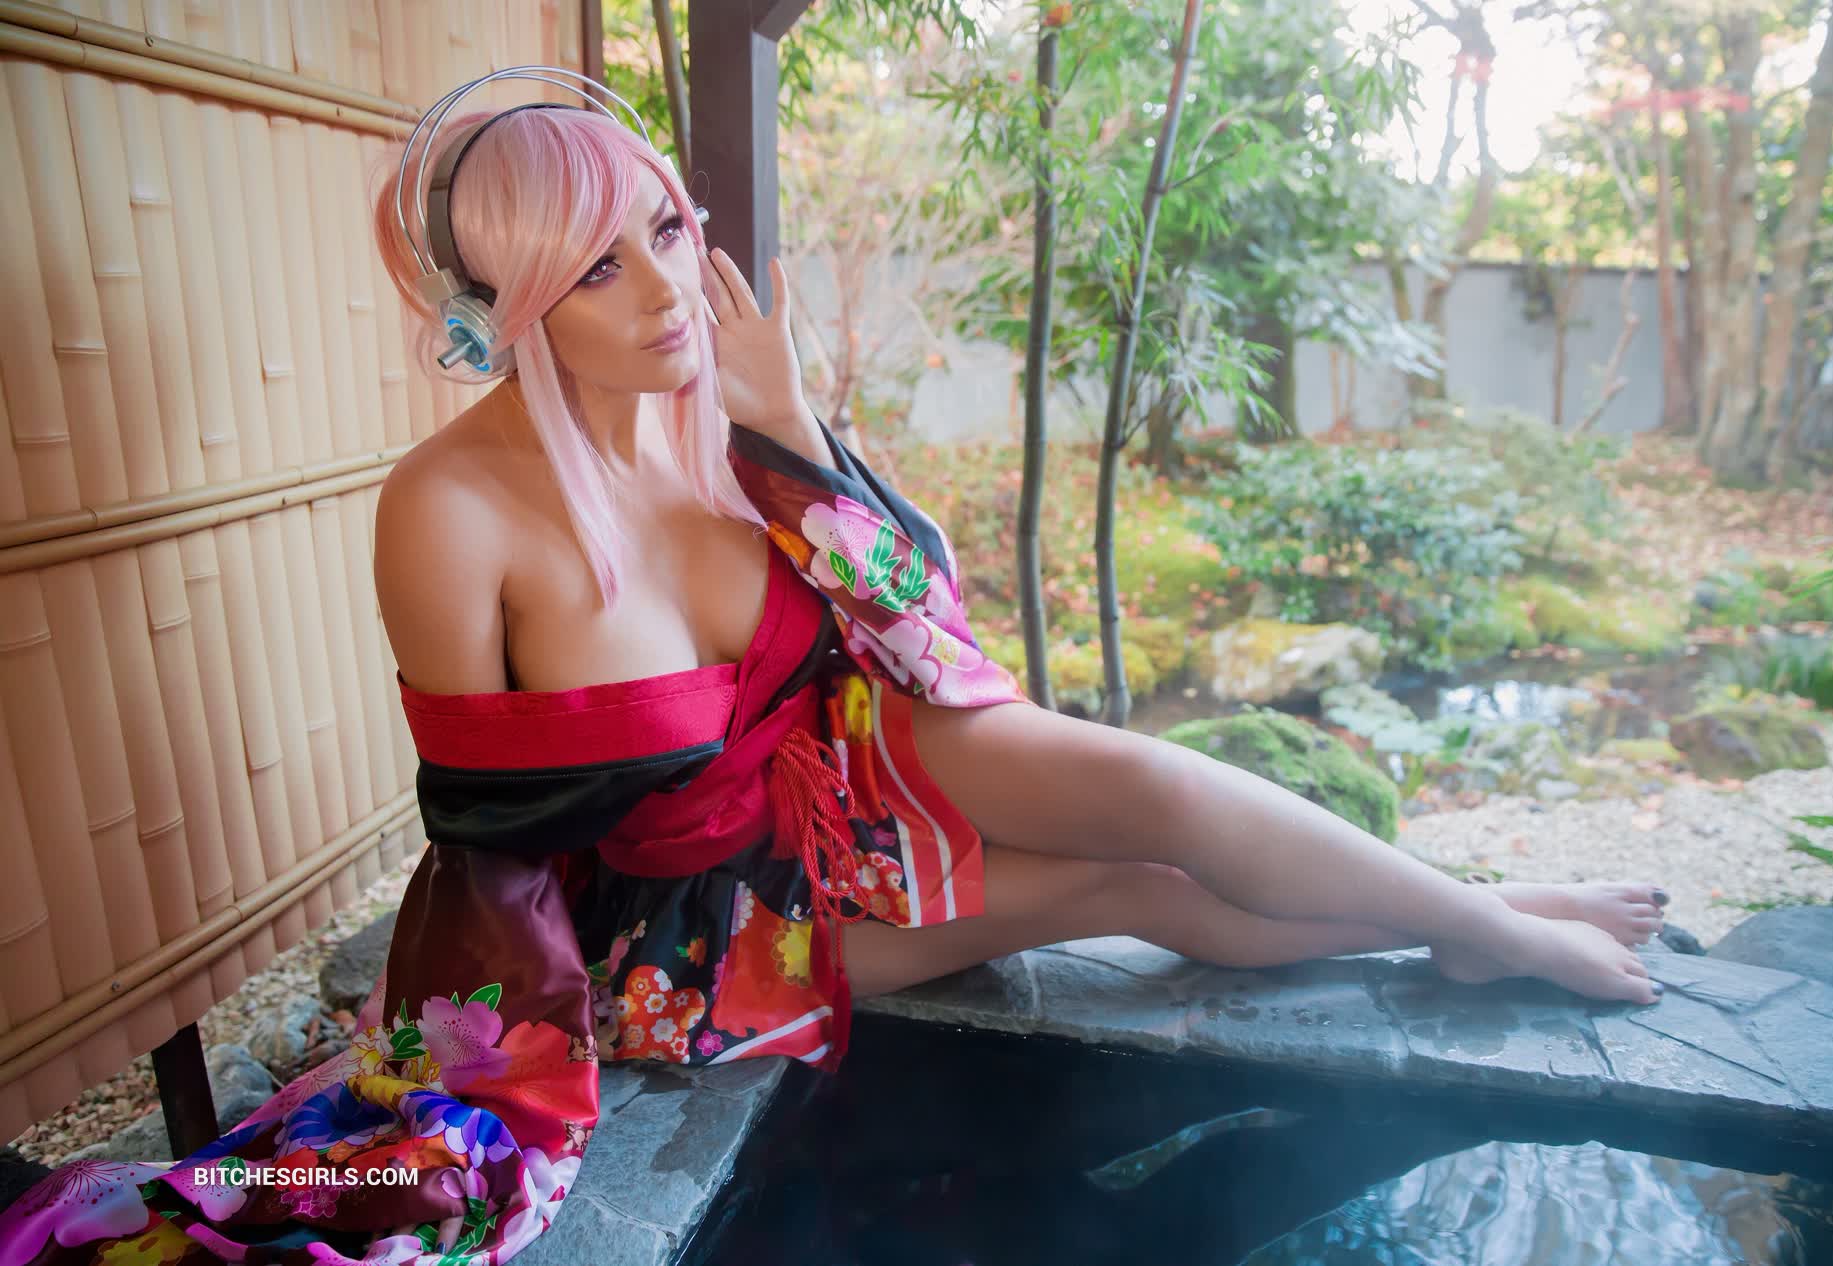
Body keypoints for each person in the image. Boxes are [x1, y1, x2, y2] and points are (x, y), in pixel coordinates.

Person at [0, 75, 1668, 1266]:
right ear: (508, 304)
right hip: (700, 915)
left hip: (854, 755)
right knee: (1133, 889)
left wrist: (794, 426)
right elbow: (488, 840)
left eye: (667, 227)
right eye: (599, 266)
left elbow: (919, 625)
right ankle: (1478, 927)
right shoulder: (448, 511)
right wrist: (472, 1066)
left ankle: (1484, 921)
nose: (667, 287)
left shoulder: (718, 408)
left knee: (1144, 782)